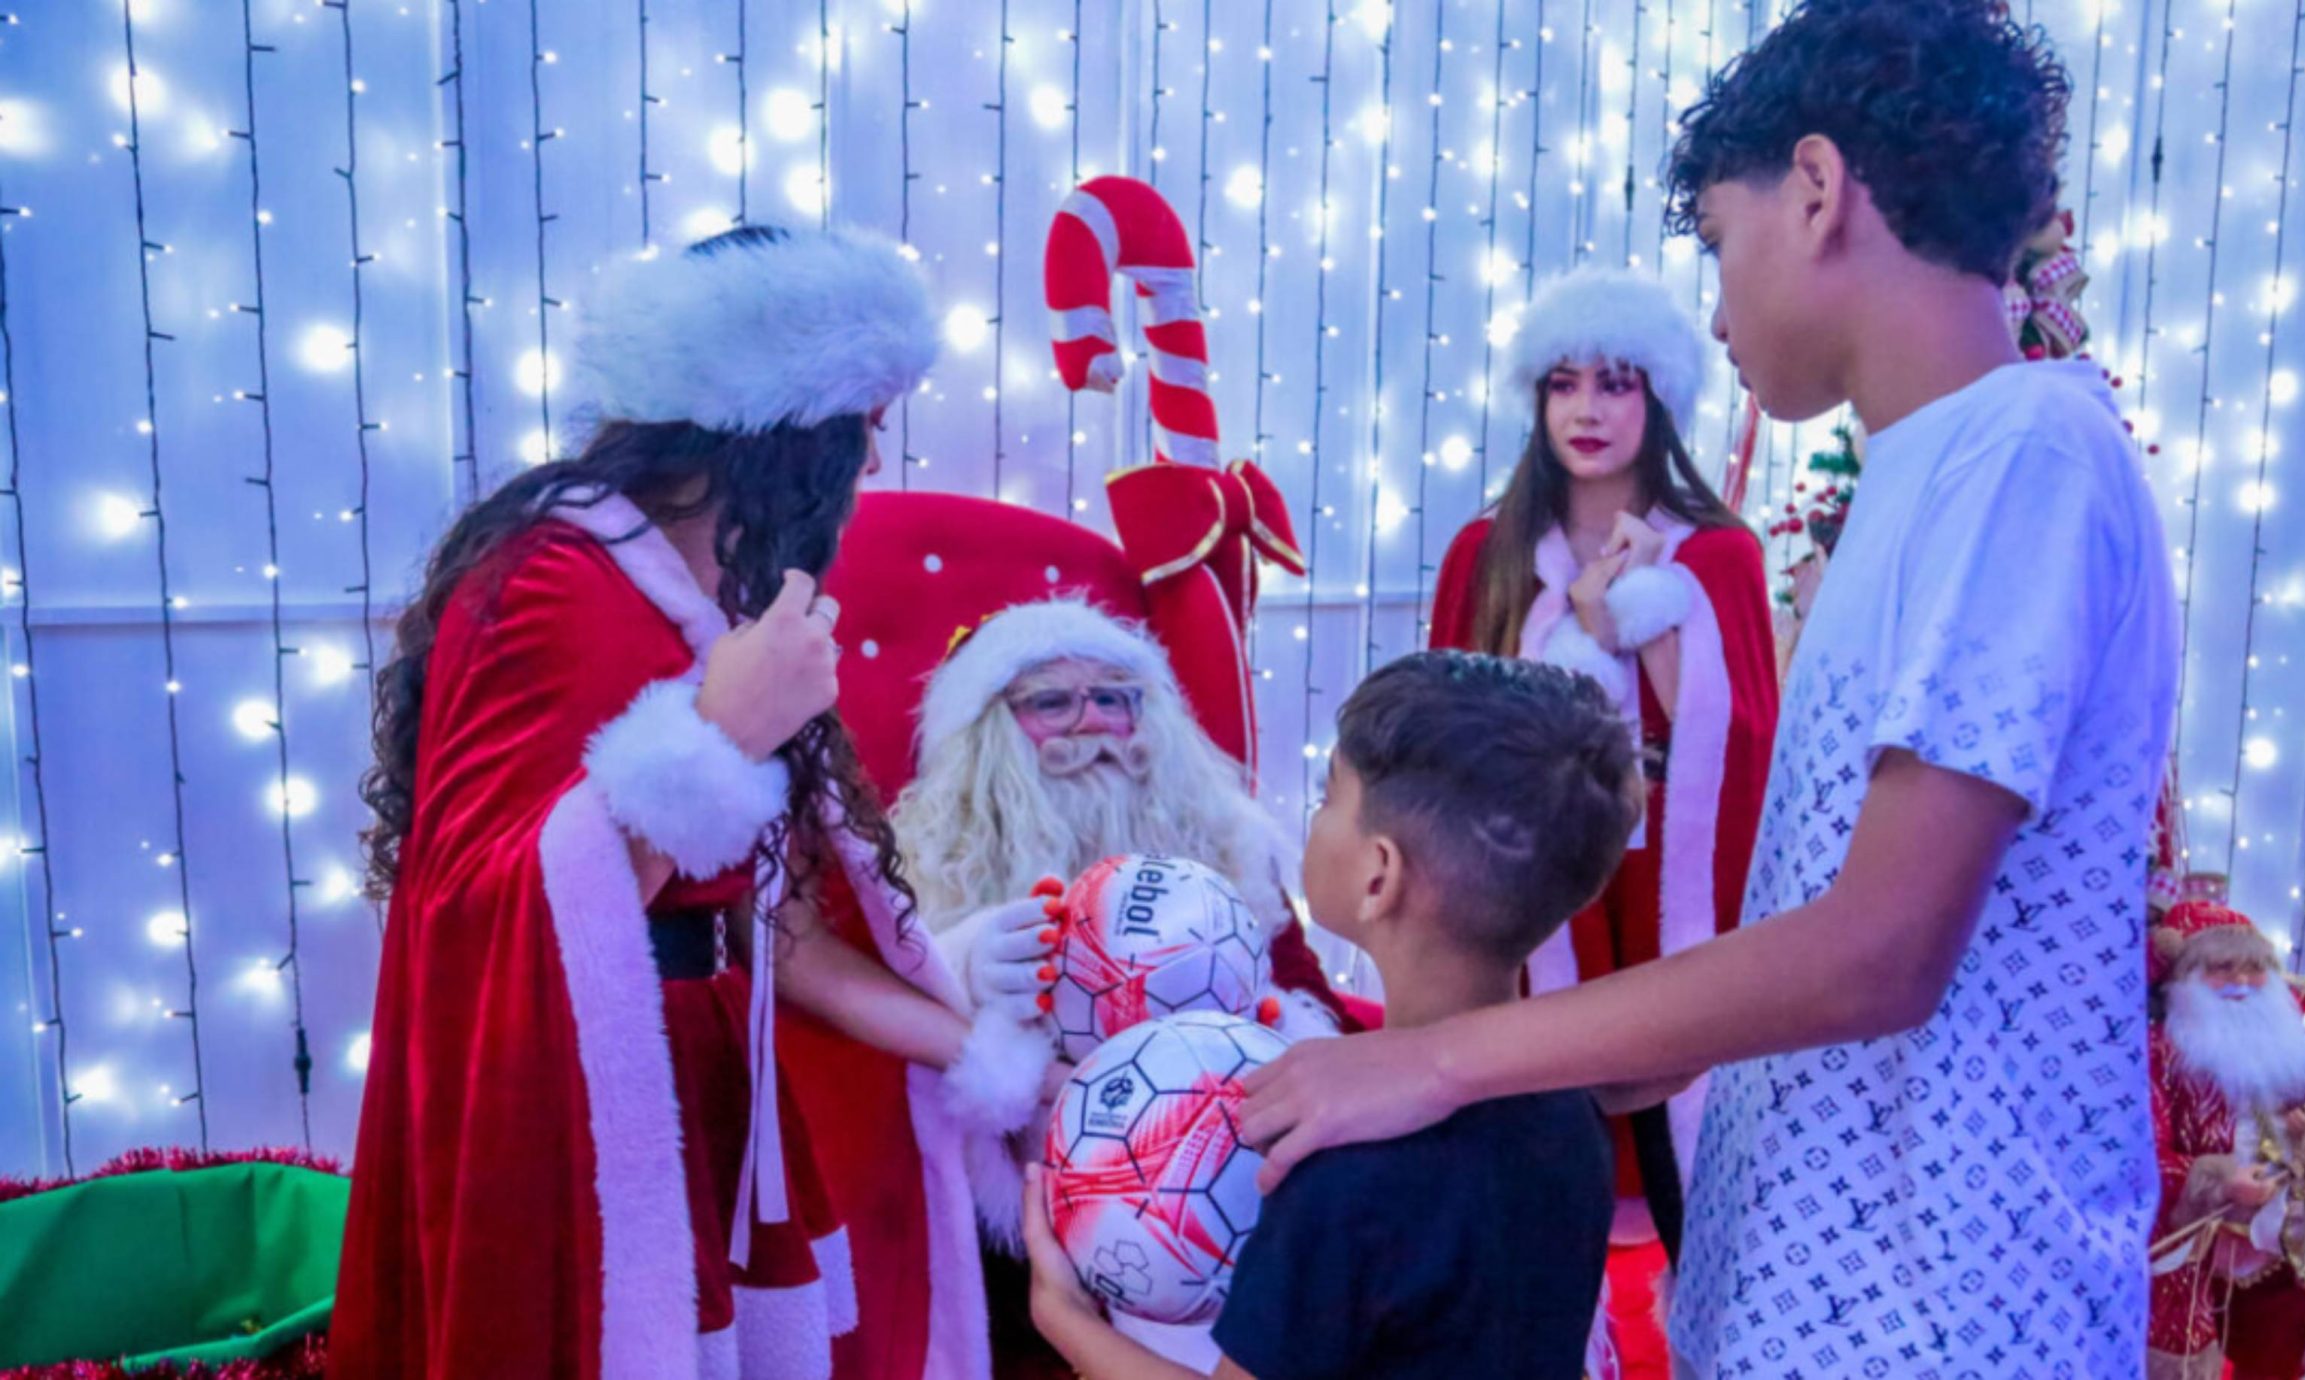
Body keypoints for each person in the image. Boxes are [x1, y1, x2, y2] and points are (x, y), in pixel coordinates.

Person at [1238, 2, 2183, 1376]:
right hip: (1820, 1283)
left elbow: (1883, 947)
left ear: (1815, 191)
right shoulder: (1923, 468)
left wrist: (1436, 1058)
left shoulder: (2021, 451)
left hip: (1933, 1312)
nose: (1721, 309)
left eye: (1720, 245)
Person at [331, 225, 1022, 1379]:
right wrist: (722, 735)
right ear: (784, 427)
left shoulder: (716, 593)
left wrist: (995, 1064)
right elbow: (488, 907)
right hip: (576, 1113)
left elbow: (779, 932)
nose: (876, 448)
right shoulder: (547, 580)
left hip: (703, 1077)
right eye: (862, 416)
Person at [1022, 651, 1636, 1379]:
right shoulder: (1565, 1104)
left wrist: (1059, 1315)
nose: (1311, 818)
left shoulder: (1332, 1166)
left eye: (1328, 797)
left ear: (1379, 875)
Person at [1426, 264, 1777, 1372]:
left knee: (1686, 1130)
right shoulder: (1483, 557)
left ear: (1656, 402)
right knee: (1544, 1148)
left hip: (1672, 889)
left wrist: (1621, 617)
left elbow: (1748, 740)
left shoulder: (1719, 553)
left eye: (1616, 385)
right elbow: (1442, 734)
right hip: (1534, 894)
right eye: (1565, 384)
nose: (1588, 410)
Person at [890, 597, 1361, 1376]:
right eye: (1052, 701)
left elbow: (1310, 997)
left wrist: (1270, 1035)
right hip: (1011, 1223)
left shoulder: (1230, 846)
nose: (1092, 725)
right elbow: (881, 1044)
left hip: (1226, 1199)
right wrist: (965, 968)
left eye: (1115, 697)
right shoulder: (916, 866)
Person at [2145, 901, 2305, 1380]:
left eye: (2255, 967)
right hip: (2196, 1252)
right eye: (2222, 967)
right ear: (2183, 979)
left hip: (2290, 1243)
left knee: (2278, 1359)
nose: (2242, 981)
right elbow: (2142, 1154)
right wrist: (2216, 1182)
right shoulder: (2158, 1054)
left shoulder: (2292, 1044)